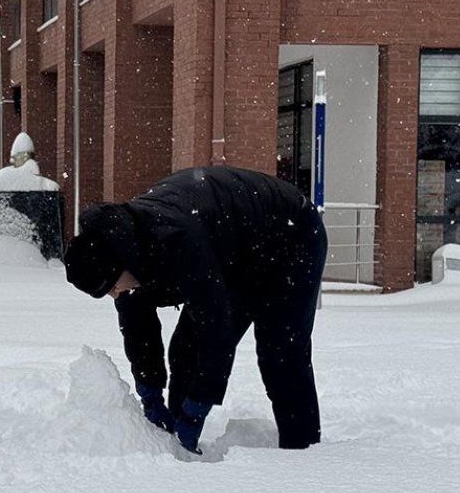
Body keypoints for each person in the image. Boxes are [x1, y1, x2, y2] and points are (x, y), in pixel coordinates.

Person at [63, 166, 328, 454]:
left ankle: (302, 451)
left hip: (290, 234)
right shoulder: (124, 249)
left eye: (111, 286)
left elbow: (216, 330)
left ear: (119, 265)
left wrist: (199, 406)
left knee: (281, 352)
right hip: (234, 250)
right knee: (186, 349)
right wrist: (149, 391)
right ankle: (180, 443)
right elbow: (140, 328)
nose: (115, 294)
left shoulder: (176, 241)